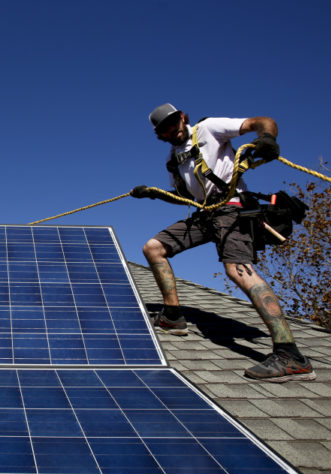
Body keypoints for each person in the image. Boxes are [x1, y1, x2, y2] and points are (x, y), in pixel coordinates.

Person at [130, 103, 315, 382]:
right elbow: (186, 197)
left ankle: (290, 355)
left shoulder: (208, 128)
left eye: (173, 122)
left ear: (182, 118)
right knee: (153, 248)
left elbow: (262, 121)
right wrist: (154, 193)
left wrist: (267, 139)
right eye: (165, 128)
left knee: (237, 269)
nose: (172, 129)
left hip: (231, 209)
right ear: (160, 134)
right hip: (204, 215)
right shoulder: (173, 160)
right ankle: (172, 317)